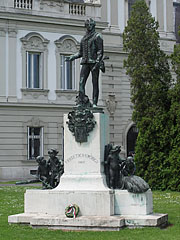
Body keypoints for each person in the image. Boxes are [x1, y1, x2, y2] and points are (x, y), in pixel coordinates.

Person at [66, 18, 104, 107]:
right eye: (87, 25)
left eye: (90, 25)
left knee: (95, 83)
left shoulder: (97, 36)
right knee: (81, 82)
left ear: (93, 25)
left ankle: (95, 103)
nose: (88, 27)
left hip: (94, 62)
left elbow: (100, 51)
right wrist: (72, 57)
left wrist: (98, 62)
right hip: (85, 62)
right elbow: (80, 53)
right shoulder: (84, 38)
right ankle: (81, 101)